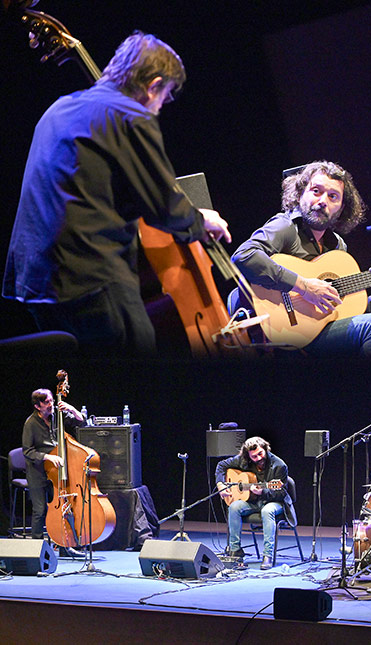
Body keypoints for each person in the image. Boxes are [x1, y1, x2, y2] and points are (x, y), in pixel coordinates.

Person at [3, 31, 231, 355]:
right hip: (89, 278)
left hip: (34, 283)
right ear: (153, 86)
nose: (158, 109)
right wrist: (200, 220)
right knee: (133, 383)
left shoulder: (60, 108)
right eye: (163, 98)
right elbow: (163, 207)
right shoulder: (129, 116)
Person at [231, 160, 371, 357]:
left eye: (333, 196)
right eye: (316, 191)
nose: (323, 200)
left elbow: (349, 311)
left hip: (324, 331)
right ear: (300, 194)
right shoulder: (285, 227)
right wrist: (303, 286)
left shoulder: (338, 247)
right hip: (287, 334)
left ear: (341, 209)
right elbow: (244, 256)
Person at [215, 436, 296, 570]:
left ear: (265, 449)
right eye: (254, 456)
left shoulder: (279, 465)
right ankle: (235, 552)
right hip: (252, 501)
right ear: (248, 456)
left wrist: (263, 492)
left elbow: (281, 493)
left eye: (260, 453)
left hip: (275, 502)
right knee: (234, 507)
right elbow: (221, 466)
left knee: (267, 511)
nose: (258, 458)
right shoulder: (243, 460)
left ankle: (267, 555)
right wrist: (220, 485)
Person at [22, 389, 85, 542]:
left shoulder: (58, 414)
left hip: (56, 470)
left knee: (63, 506)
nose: (51, 404)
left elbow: (81, 421)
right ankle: (36, 547)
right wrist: (47, 457)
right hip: (37, 471)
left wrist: (71, 409)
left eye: (52, 400)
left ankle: (65, 544)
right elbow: (27, 451)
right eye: (47, 402)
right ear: (38, 406)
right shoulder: (30, 424)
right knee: (40, 510)